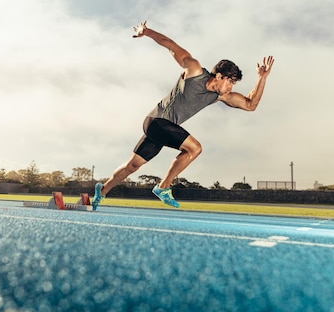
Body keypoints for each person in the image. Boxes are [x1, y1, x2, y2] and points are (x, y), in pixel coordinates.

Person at [92, 21, 274, 210]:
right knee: (195, 148)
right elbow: (171, 45)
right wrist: (146, 32)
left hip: (164, 130)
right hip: (156, 121)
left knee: (133, 166)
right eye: (230, 82)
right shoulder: (194, 70)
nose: (231, 87)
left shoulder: (220, 96)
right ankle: (163, 187)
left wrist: (262, 78)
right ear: (219, 76)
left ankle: (102, 191)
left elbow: (250, 104)